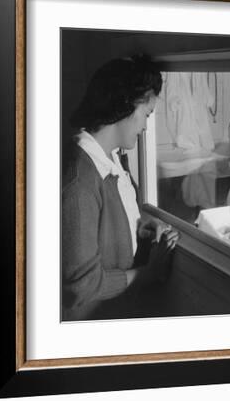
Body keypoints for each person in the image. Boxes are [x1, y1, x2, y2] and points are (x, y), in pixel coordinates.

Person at [61, 56, 180, 321]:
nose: (145, 126)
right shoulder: (79, 182)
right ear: (126, 105)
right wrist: (147, 273)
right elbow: (80, 288)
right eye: (146, 114)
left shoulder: (111, 158)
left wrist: (140, 225)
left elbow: (105, 222)